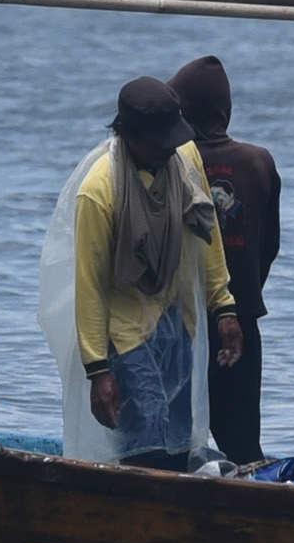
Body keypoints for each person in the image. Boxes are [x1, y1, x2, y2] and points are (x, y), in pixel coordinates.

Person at [73, 75, 242, 470]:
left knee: (180, 436)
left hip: (176, 318)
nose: (169, 148)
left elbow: (207, 234)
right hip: (126, 332)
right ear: (129, 135)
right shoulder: (100, 191)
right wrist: (98, 371)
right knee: (146, 433)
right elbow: (90, 286)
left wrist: (224, 308)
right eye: (159, 140)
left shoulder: (183, 159)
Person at [171, 56, 280, 465]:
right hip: (242, 321)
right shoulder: (259, 162)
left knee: (176, 441)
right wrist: (245, 293)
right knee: (244, 444)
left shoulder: (173, 161)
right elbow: (270, 243)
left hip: (186, 323)